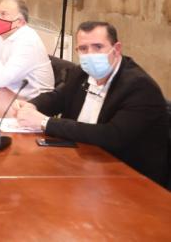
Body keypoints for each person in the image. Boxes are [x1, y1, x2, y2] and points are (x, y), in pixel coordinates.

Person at [14, 21, 168, 185]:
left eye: (98, 47)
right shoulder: (81, 72)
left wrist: (45, 122)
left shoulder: (139, 87)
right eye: (83, 48)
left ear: (116, 49)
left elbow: (111, 135)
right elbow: (59, 98)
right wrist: (33, 105)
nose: (90, 54)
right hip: (80, 160)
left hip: (128, 176)